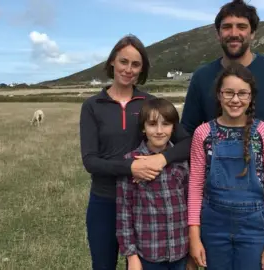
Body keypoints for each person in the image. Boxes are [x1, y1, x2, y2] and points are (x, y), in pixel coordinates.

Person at [79, 34, 192, 270]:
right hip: (105, 201)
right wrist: (131, 167)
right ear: (112, 62)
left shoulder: (149, 103)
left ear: (142, 69)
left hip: (145, 205)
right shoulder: (92, 106)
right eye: (123, 62)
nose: (128, 69)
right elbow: (90, 161)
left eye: (135, 64)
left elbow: (187, 143)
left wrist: (162, 159)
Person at [180, 0, 264, 187]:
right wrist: (198, 181)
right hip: (214, 194)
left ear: (252, 33)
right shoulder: (202, 77)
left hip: (260, 198)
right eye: (227, 27)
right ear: (218, 34)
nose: (234, 33)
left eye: (241, 26)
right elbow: (186, 131)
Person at [187, 63, 264, 270]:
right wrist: (194, 237)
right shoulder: (202, 134)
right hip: (213, 226)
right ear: (219, 95)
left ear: (251, 97)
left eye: (243, 93)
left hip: (255, 227)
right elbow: (195, 188)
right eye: (229, 93)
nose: (235, 100)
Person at [116, 98, 197, 270]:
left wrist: (191, 251)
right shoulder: (131, 162)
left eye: (166, 124)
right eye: (152, 124)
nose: (159, 131)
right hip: (148, 255)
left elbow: (192, 205)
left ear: (174, 127)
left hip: (180, 251)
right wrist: (131, 257)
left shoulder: (182, 161)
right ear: (143, 128)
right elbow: (124, 214)